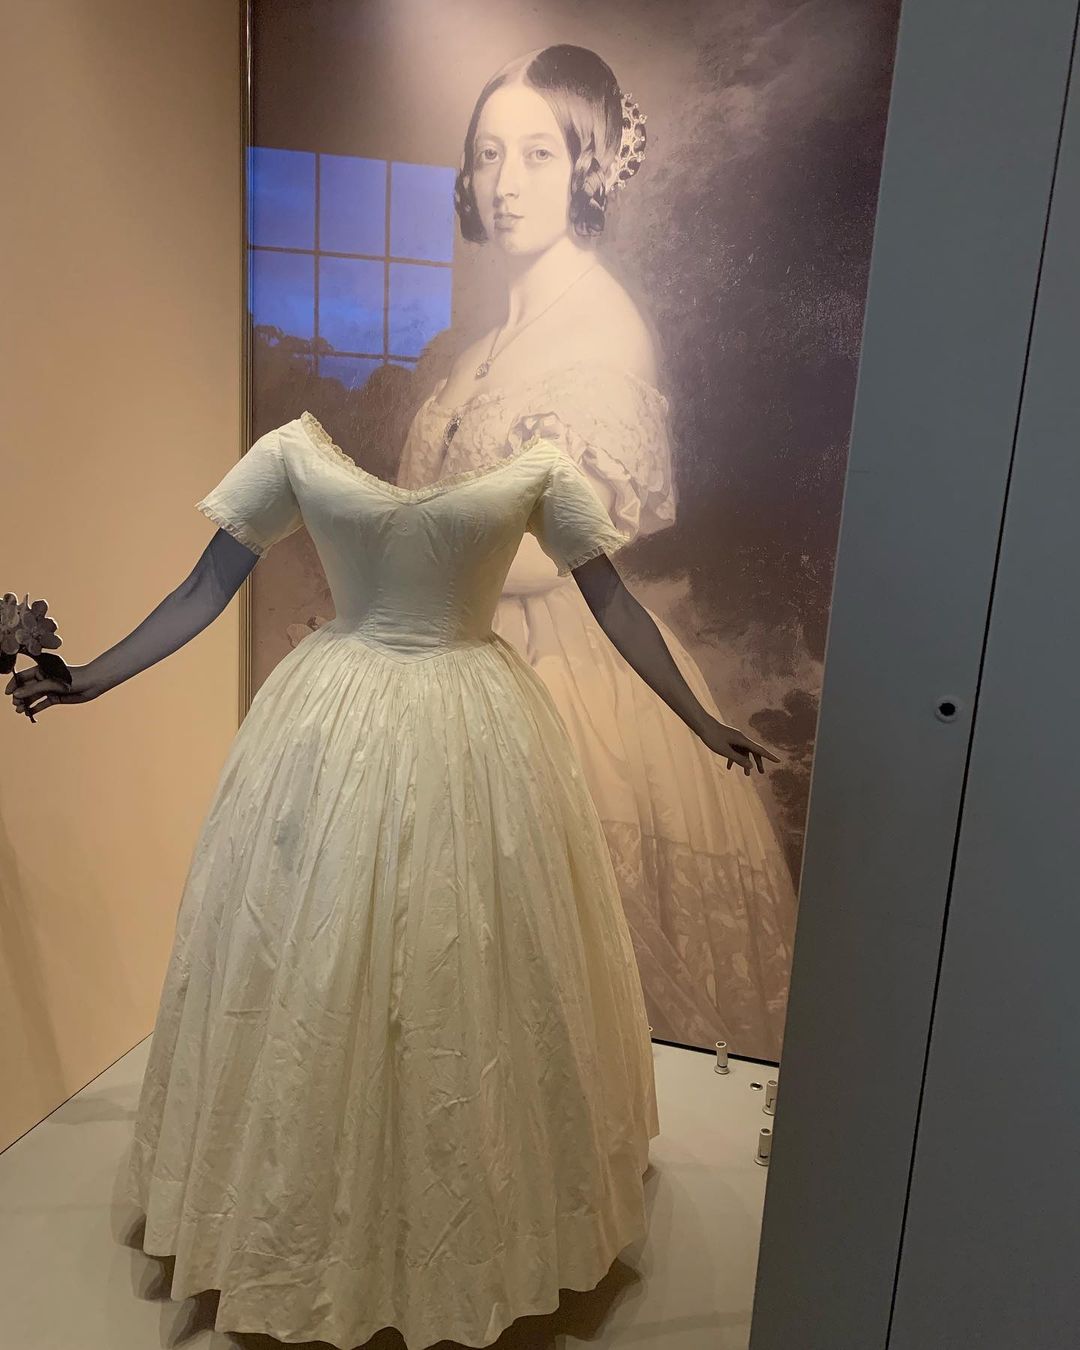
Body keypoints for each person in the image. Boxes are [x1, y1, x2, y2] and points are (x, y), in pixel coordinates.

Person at [7, 403, 776, 1346]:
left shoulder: (542, 473)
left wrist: (700, 719)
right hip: (332, 723)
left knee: (470, 958)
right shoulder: (290, 455)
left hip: (473, 725)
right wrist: (87, 677)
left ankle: (474, 1228)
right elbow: (205, 588)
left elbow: (612, 601)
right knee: (315, 954)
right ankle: (300, 1225)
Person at [397, 44, 799, 1062]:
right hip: (446, 650)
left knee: (538, 998)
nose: (506, 183)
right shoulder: (482, 343)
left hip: (551, 676)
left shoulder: (604, 336)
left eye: (537, 153)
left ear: (587, 164)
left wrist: (402, 563)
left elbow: (546, 559)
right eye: (489, 154)